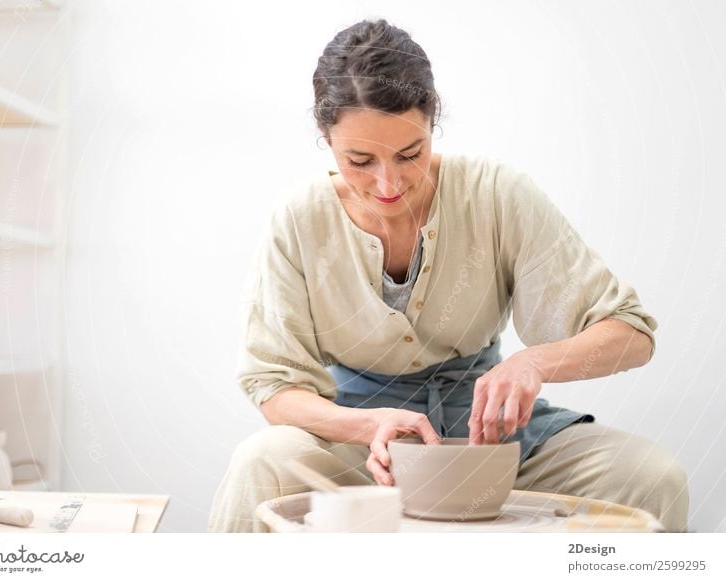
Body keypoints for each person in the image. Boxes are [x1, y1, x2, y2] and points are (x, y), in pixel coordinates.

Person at [207, 18, 688, 533]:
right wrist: (367, 423)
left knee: (652, 478)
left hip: (495, 441)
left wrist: (533, 363)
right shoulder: (299, 220)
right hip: (360, 447)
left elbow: (631, 335)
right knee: (263, 463)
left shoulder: (496, 194)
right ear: (325, 138)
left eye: (410, 154)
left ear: (432, 123)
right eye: (360, 160)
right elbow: (273, 385)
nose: (388, 184)